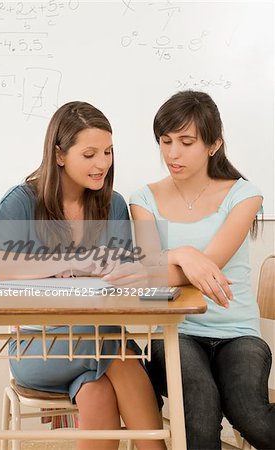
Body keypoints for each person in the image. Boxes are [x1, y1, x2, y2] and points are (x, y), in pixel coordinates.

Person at [0, 101, 166, 450]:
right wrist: (71, 262)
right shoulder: (22, 201)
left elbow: (121, 286)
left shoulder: (113, 205)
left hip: (96, 334)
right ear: (60, 155)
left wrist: (131, 271)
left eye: (108, 152)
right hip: (37, 347)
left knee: (98, 392)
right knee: (119, 350)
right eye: (90, 154)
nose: (102, 164)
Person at [106, 90, 275, 450]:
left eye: (186, 142)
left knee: (250, 414)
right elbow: (152, 279)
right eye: (165, 141)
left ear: (214, 145)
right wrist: (181, 254)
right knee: (199, 408)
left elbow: (205, 268)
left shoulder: (244, 195)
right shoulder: (144, 198)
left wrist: (174, 261)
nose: (172, 153)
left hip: (237, 331)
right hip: (174, 331)